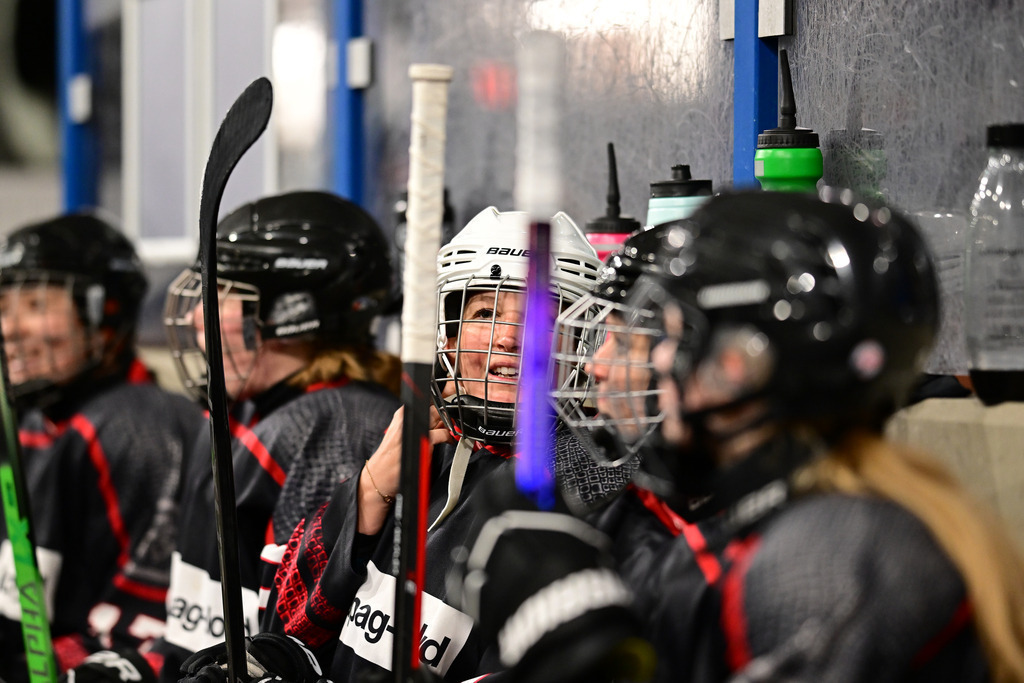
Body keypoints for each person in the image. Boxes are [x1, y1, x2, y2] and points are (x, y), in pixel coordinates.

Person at [473, 189, 1024, 682]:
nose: (657, 360)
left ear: (745, 365)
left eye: (672, 334)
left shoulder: (836, 553)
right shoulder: (763, 518)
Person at [251, 206, 621, 683]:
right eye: (486, 313)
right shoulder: (413, 456)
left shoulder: (587, 489)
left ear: (579, 342)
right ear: (448, 335)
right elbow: (289, 620)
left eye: (540, 317)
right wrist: (366, 494)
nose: (510, 338)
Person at [146, 190, 401, 681]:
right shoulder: (245, 413)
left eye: (224, 294)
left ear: (291, 312)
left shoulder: (334, 427)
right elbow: (195, 629)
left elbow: (302, 637)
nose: (200, 315)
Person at [0, 213, 206, 682]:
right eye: (4, 306)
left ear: (107, 317)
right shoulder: (31, 418)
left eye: (34, 304)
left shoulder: (141, 428)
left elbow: (153, 624)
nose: (10, 328)